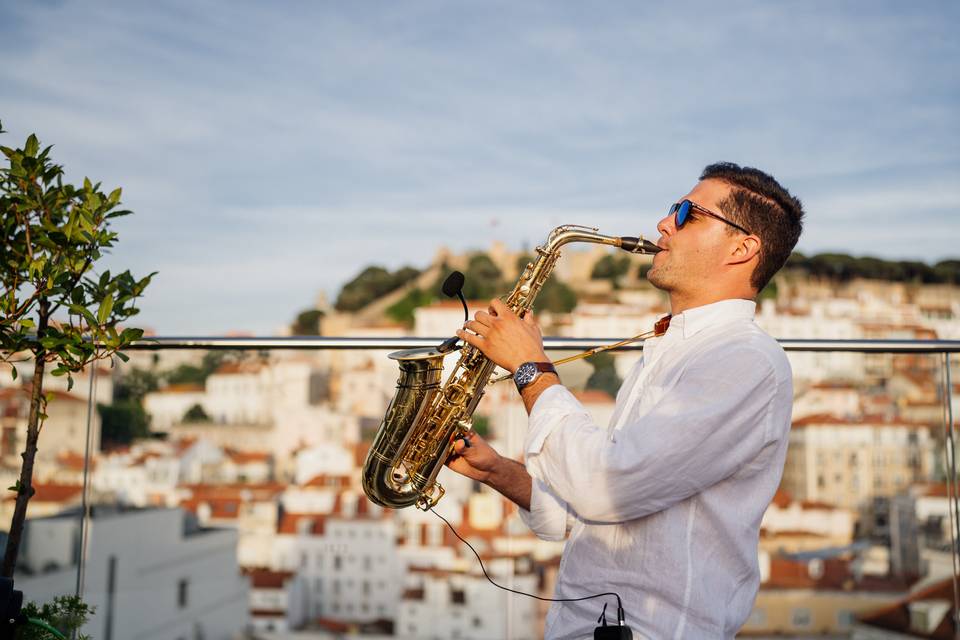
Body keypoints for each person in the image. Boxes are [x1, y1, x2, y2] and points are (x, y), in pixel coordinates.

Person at [448, 162, 804, 639]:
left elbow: (606, 486)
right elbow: (596, 518)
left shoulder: (744, 361)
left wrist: (531, 368)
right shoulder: (669, 349)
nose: (664, 223)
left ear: (742, 248)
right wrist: (498, 471)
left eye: (686, 214)